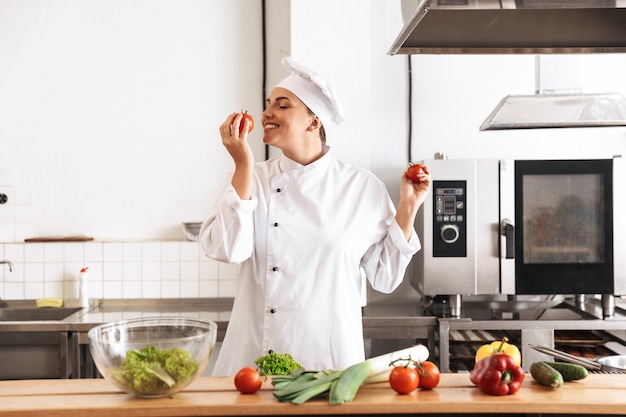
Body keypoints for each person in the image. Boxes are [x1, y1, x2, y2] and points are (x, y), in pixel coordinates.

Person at [199, 57, 431, 376]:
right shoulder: (252, 177)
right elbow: (227, 250)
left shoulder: (361, 187)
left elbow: (386, 277)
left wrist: (409, 205)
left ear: (313, 122)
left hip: (330, 362)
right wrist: (242, 165)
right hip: (254, 363)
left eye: (282, 106)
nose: (267, 113)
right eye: (268, 105)